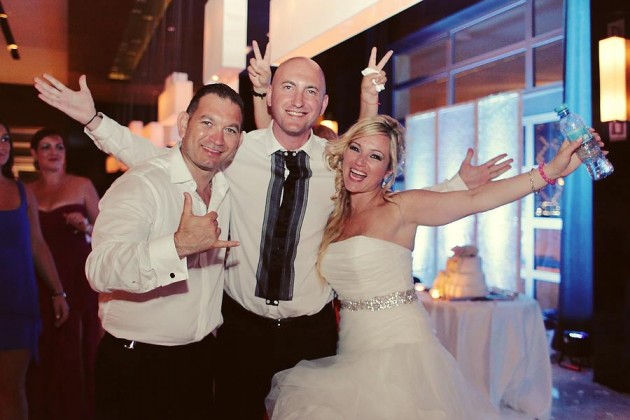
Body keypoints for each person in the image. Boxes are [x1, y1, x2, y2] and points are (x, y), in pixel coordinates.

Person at [34, 46, 511, 418]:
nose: (298, 100)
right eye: (288, 87)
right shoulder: (233, 150)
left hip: (313, 331)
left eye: (310, 91)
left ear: (323, 103)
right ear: (270, 94)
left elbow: (387, 199)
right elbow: (158, 158)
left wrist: (453, 185)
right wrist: (95, 122)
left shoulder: (337, 163)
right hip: (241, 327)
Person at [266, 115, 595, 419]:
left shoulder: (402, 208)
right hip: (352, 346)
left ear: (389, 170)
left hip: (402, 352)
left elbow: (474, 201)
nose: (361, 162)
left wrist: (548, 172)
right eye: (356, 148)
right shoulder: (336, 217)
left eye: (376, 157)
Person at [85, 83, 241, 419]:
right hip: (138, 365)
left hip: (200, 361)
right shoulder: (141, 184)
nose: (218, 138)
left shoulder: (224, 188)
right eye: (207, 123)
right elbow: (99, 269)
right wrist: (176, 247)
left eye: (230, 129)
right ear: (184, 125)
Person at [25, 128, 101, 420]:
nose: (54, 152)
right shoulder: (27, 191)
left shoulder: (81, 185)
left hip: (77, 277)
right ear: (34, 154)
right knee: (44, 351)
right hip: (38, 279)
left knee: (76, 352)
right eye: (46, 147)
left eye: (59, 146)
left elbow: (109, 234)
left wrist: (86, 228)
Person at [0, 120, 69, 420]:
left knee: (13, 389)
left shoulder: (21, 191)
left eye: (4, 138)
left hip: (17, 302)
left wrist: (58, 291)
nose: (1, 145)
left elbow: (37, 244)